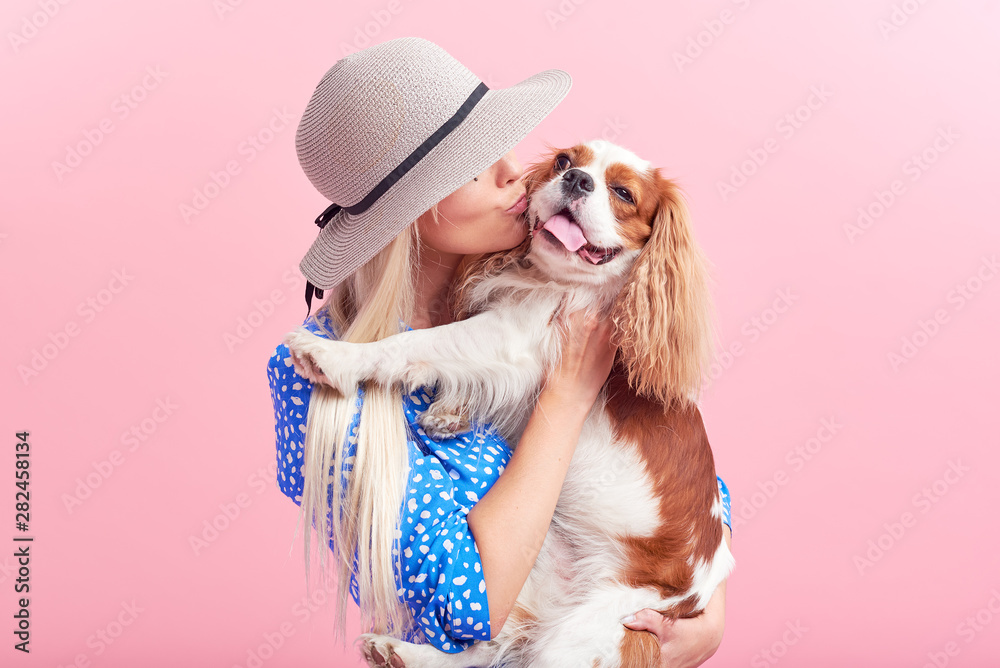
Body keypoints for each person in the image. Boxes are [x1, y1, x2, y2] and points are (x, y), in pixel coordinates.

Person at [266, 37, 733, 667]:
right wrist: (565, 399)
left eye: (506, 145)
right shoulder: (311, 373)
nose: (517, 171)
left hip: (612, 604)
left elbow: (691, 484)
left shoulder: (550, 286)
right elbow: (468, 607)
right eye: (475, 160)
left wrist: (705, 611)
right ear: (412, 208)